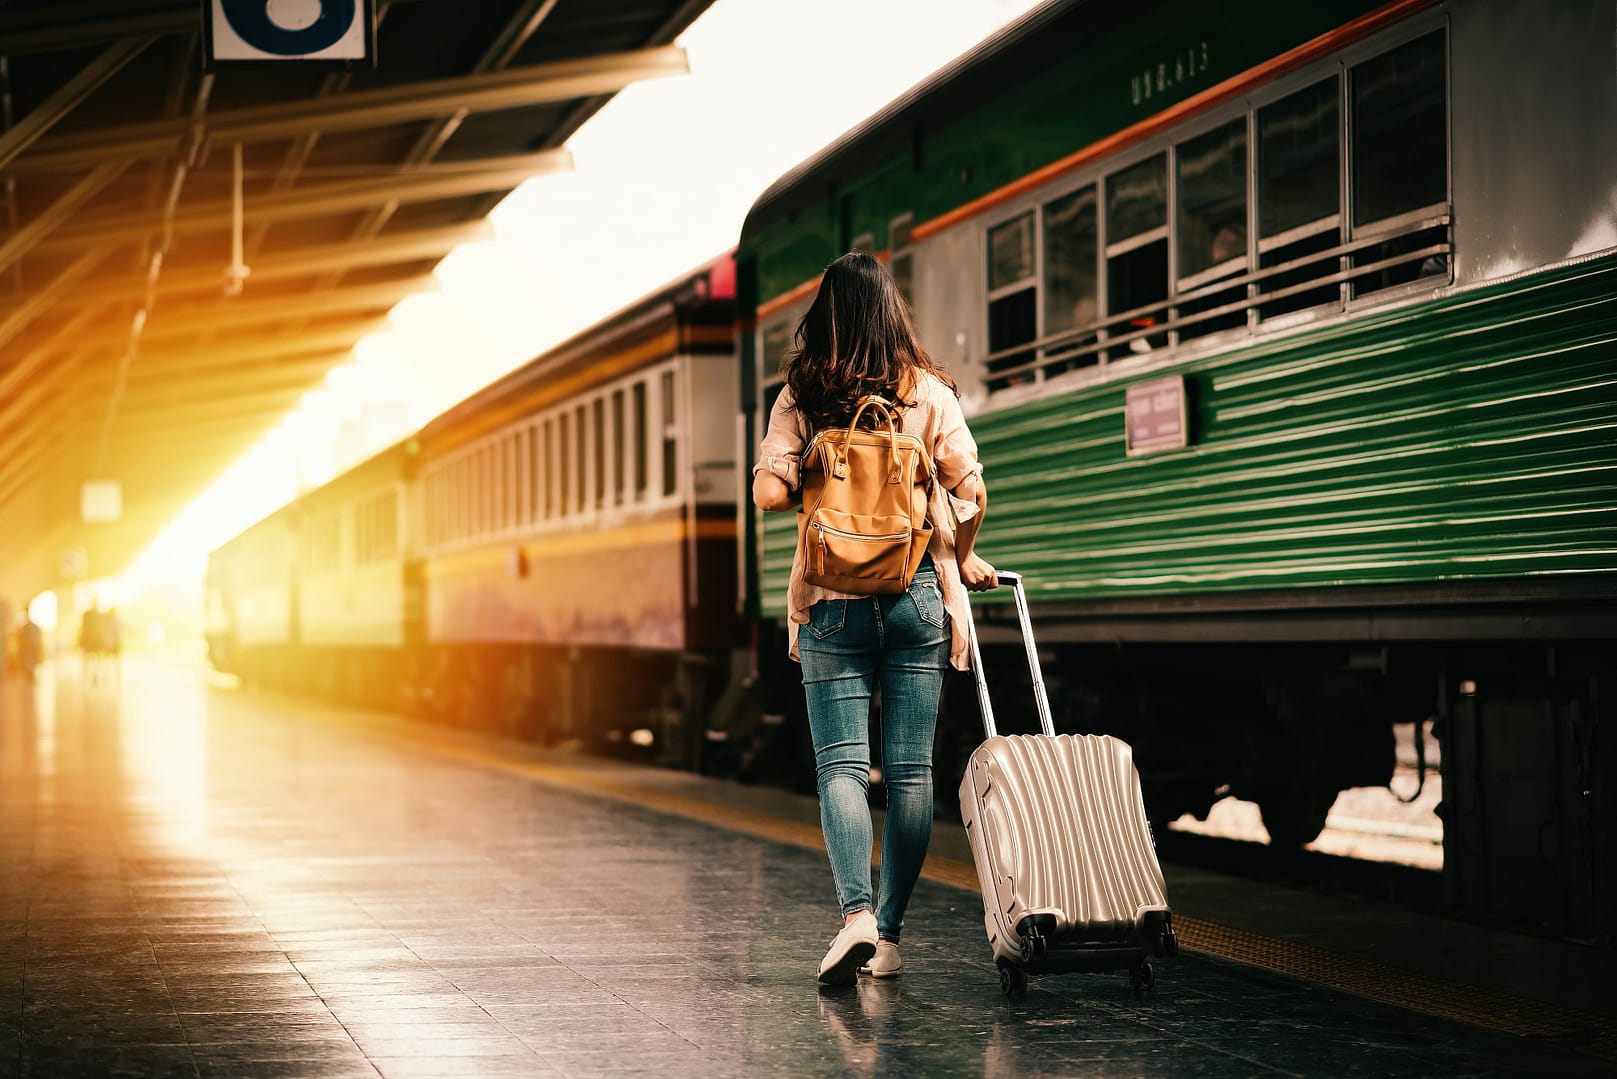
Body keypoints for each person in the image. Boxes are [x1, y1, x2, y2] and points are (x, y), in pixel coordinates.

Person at [752, 251, 997, 985]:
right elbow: (973, 492)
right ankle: (887, 937)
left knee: (842, 768)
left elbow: (769, 495)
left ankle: (854, 913)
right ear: (894, 313)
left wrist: (789, 471)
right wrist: (962, 553)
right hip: (919, 593)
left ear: (823, 315)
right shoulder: (928, 393)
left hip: (830, 601)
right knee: (912, 774)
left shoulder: (802, 394)